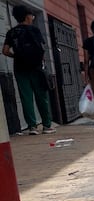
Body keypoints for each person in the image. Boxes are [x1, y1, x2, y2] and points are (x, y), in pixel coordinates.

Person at [2, 5, 55, 135]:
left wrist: (17, 56)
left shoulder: (12, 32)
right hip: (36, 67)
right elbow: (41, 49)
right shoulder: (34, 30)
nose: (32, 18)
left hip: (20, 68)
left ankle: (32, 127)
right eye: (32, 15)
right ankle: (47, 125)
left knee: (26, 97)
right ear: (27, 16)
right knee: (41, 97)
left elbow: (5, 51)